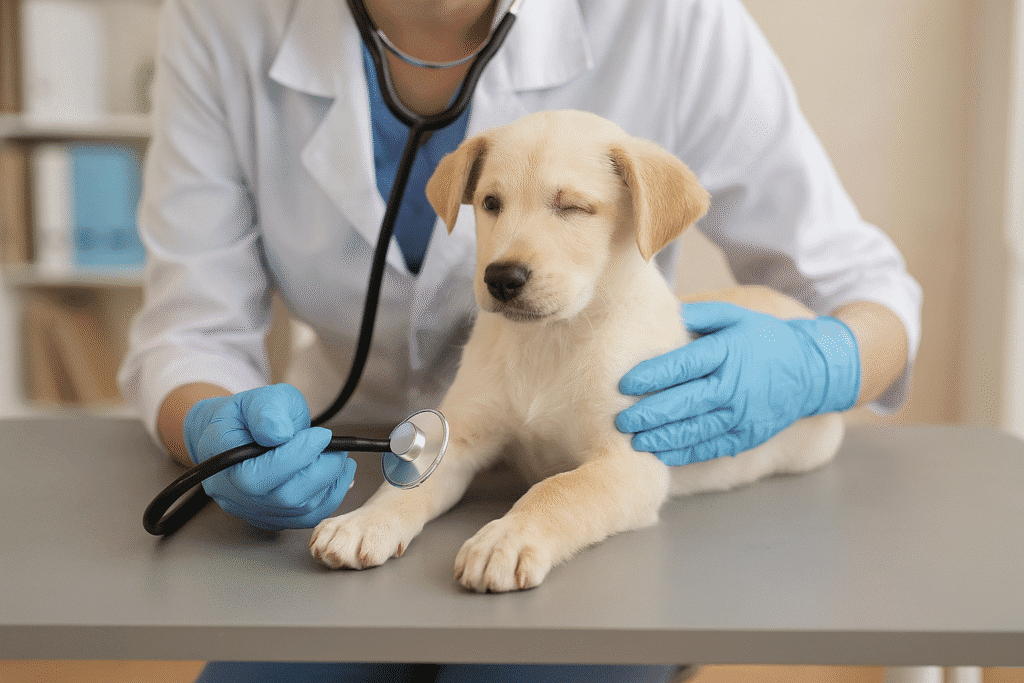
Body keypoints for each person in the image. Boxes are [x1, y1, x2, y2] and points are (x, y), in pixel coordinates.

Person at [119, 0, 922, 680]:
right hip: (350, 455)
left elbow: (861, 283)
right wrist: (212, 430)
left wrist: (826, 360)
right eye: (492, 206)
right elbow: (190, 324)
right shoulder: (223, 17)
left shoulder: (670, 18)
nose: (507, 252)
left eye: (572, 208)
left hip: (603, 512)